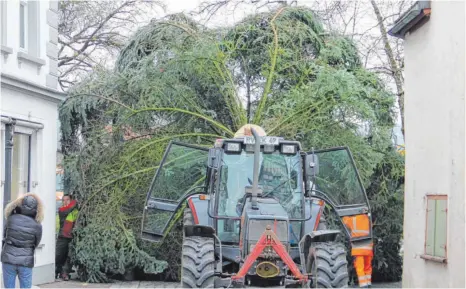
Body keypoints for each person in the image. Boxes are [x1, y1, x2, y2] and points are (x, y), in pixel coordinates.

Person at [1, 193, 43, 289]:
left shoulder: (11, 219)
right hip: (26, 261)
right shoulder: (37, 225)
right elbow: (36, 243)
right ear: (36, 208)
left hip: (8, 258)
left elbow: (5, 236)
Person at [342, 214, 373, 288]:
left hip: (358, 249)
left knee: (360, 268)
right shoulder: (368, 219)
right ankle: (368, 284)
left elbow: (344, 219)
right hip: (368, 249)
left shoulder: (353, 220)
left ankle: (363, 285)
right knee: (367, 267)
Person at [55, 194, 78, 281]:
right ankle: (56, 271)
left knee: (69, 256)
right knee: (59, 255)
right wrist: (76, 202)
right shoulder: (62, 210)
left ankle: (65, 273)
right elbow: (68, 209)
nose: (65, 202)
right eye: (63, 200)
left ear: (70, 200)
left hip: (72, 237)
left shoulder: (75, 211)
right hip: (62, 236)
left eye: (67, 200)